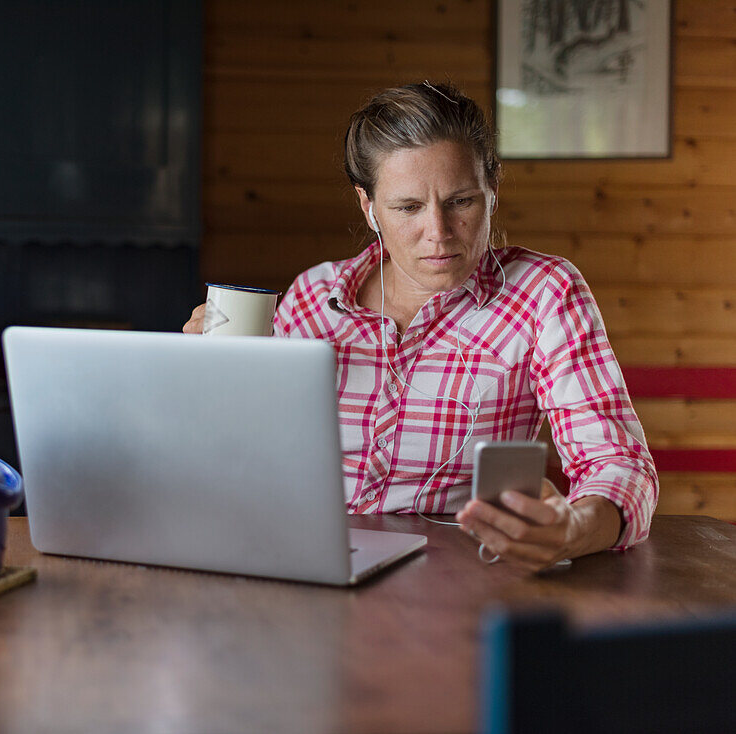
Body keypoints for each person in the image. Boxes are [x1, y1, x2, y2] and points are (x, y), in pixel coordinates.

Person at [183, 82, 657, 572]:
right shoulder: (311, 297)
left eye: (461, 201)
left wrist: (572, 529)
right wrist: (211, 381)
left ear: (492, 188)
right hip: (305, 558)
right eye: (408, 208)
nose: (438, 232)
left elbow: (619, 464)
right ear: (369, 208)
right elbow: (243, 457)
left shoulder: (544, 294)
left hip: (462, 571)